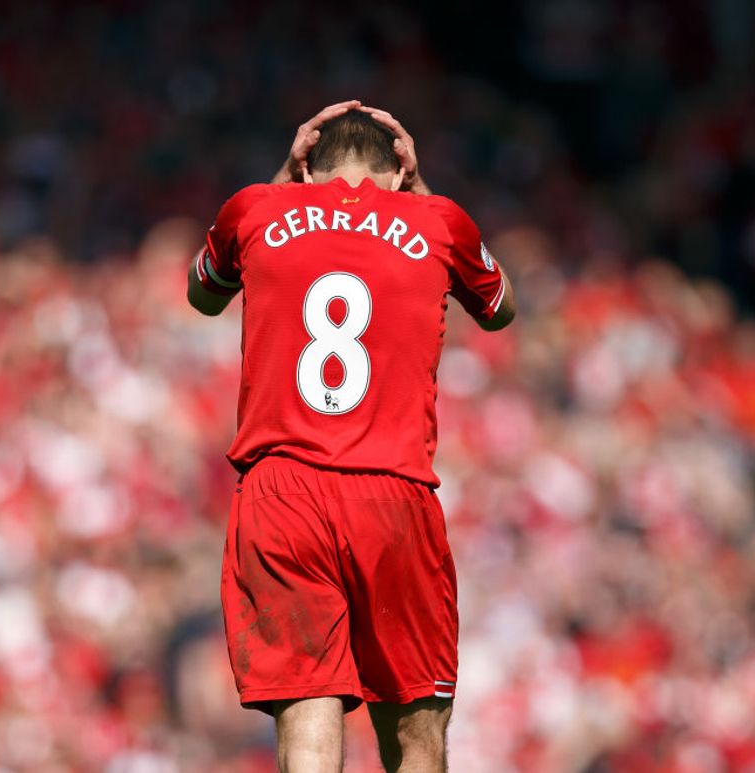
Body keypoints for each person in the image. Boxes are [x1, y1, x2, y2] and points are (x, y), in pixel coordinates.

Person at [186, 101, 515, 773]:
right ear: (398, 168)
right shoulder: (438, 220)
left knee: (308, 716)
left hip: (282, 493)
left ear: (308, 164)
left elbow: (203, 293)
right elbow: (501, 307)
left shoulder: (256, 209)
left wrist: (281, 180)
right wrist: (420, 190)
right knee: (417, 733)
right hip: (393, 491)